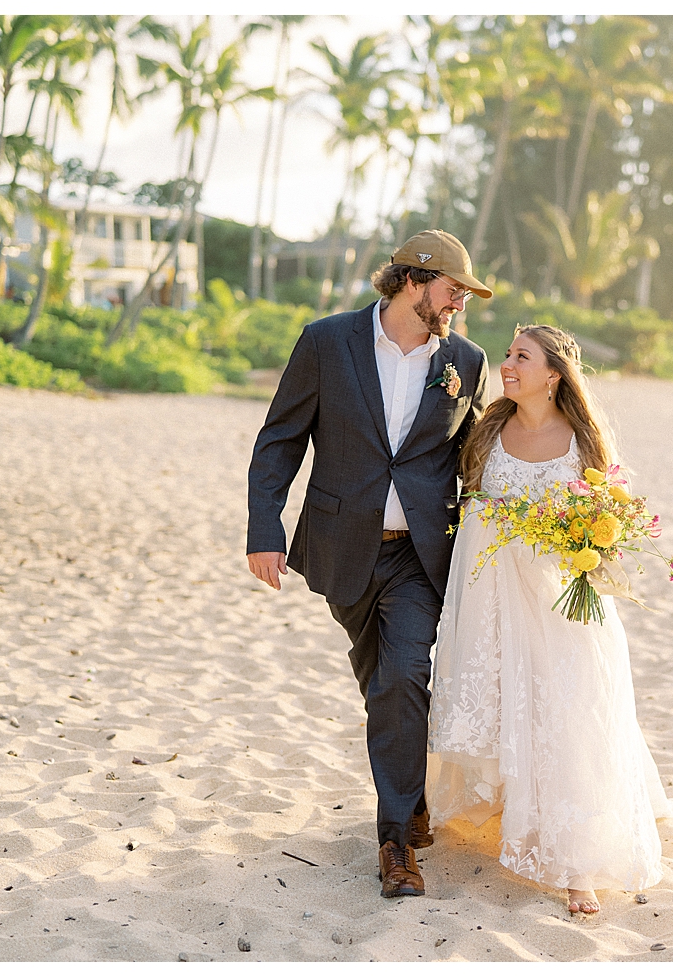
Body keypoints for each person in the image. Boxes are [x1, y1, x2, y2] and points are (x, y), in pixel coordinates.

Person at [246, 230, 492, 899]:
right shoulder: (326, 342)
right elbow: (280, 438)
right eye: (452, 290)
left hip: (420, 556)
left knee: (404, 674)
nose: (459, 305)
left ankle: (395, 843)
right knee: (382, 682)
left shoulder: (466, 360)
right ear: (414, 280)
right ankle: (408, 792)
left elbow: (474, 461)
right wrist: (264, 526)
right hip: (342, 548)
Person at [427, 324, 673, 915]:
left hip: (563, 605)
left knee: (569, 715)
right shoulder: (486, 429)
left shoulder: (582, 441)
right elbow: (470, 504)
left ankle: (577, 863)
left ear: (554, 374)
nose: (507, 365)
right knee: (509, 703)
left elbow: (605, 514)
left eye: (521, 357)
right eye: (508, 355)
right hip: (496, 600)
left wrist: (583, 539)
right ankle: (505, 812)